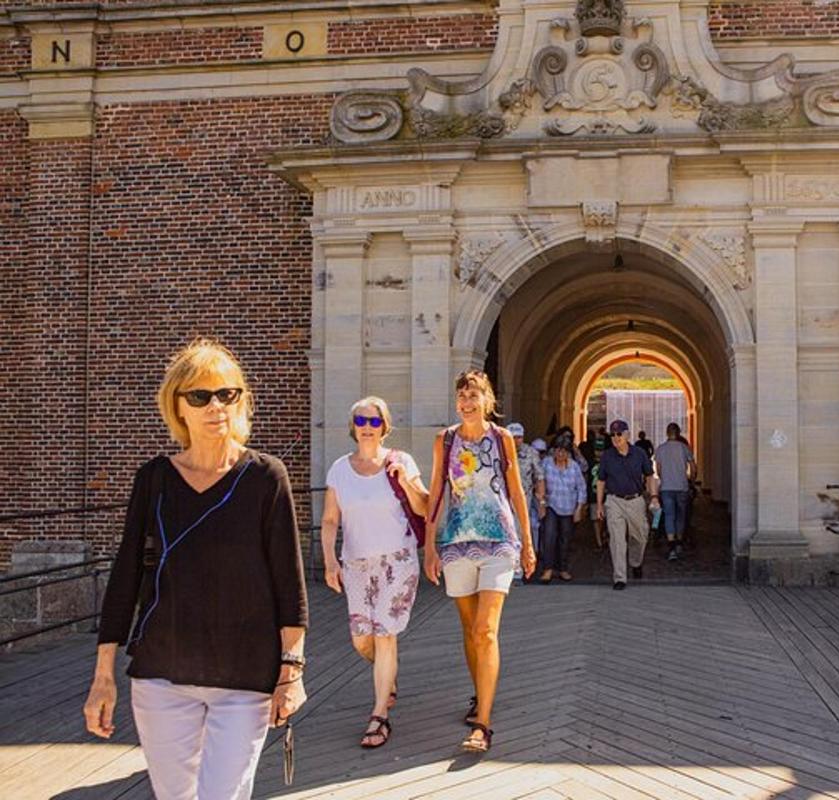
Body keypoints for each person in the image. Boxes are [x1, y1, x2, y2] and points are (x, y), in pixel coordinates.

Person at [84, 338, 308, 800]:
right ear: (177, 406)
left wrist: (292, 672)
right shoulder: (154, 480)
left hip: (245, 678)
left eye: (228, 394)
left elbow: (290, 584)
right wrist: (103, 675)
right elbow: (125, 577)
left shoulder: (267, 478)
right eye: (200, 396)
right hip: (162, 676)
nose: (216, 407)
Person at [425, 370, 536, 752]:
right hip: (456, 541)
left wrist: (527, 542)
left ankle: (483, 724)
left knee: (486, 630)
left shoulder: (502, 439)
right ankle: (480, 694)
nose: (467, 402)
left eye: (474, 395)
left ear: (487, 400)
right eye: (462, 396)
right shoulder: (446, 440)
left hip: (499, 540)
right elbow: (437, 491)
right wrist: (429, 544)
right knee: (470, 631)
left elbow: (516, 491)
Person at [321, 396, 428, 748]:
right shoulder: (339, 468)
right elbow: (330, 519)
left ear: (385, 427)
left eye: (374, 421)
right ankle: (388, 676)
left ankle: (379, 715)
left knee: (385, 635)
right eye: (361, 421)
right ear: (353, 427)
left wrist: (408, 482)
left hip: (397, 561)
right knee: (361, 638)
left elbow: (426, 506)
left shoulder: (401, 461)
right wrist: (329, 560)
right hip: (355, 564)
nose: (368, 427)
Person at [596, 419, 658, 590]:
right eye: (613, 435)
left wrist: (653, 496)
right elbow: (601, 480)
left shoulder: (639, 454)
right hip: (614, 501)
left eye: (619, 434)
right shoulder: (607, 456)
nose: (616, 438)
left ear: (627, 435)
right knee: (617, 540)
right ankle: (620, 578)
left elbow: (649, 475)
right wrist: (600, 505)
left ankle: (636, 562)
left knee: (640, 536)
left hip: (635, 501)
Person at [537, 437, 588, 583]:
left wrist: (579, 508)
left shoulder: (574, 467)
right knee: (549, 535)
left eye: (564, 451)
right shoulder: (546, 463)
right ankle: (548, 569)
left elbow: (581, 488)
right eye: (558, 450)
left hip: (568, 507)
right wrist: (541, 502)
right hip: (551, 504)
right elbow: (539, 480)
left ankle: (563, 569)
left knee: (565, 538)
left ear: (569, 453)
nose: (560, 454)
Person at [654, 422, 696, 562]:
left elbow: (658, 469)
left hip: (667, 487)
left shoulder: (661, 449)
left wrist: (662, 478)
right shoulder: (684, 448)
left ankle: (671, 546)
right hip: (682, 486)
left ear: (667, 433)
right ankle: (679, 542)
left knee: (669, 515)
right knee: (681, 515)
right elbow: (692, 466)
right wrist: (692, 481)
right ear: (678, 433)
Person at [508, 422, 546, 563]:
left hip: (524, 500)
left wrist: (542, 503)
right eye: (512, 437)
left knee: (520, 532)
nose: (516, 440)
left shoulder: (530, 453)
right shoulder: (498, 451)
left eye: (519, 437)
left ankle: (518, 570)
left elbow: (540, 477)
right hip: (502, 500)